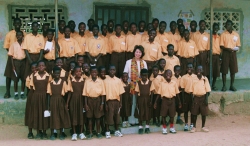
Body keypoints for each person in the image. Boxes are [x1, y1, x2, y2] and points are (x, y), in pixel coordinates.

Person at [123, 45, 147, 126]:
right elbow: (125, 74)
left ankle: (139, 119)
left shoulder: (144, 63)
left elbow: (145, 74)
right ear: (134, 52)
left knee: (140, 103)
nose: (138, 53)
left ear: (142, 53)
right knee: (132, 103)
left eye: (140, 52)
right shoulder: (129, 62)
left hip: (141, 86)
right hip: (132, 85)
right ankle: (132, 120)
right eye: (136, 52)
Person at [47, 66, 71, 140]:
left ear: (60, 74)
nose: (57, 74)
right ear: (53, 74)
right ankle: (53, 134)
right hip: (53, 101)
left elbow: (67, 92)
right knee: (53, 117)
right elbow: (48, 95)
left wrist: (66, 103)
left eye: (58, 73)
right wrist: (48, 105)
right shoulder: (50, 83)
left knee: (61, 116)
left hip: (61, 100)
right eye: (55, 73)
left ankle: (61, 133)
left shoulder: (63, 82)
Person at [28, 60, 50, 139]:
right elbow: (31, 88)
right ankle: (38, 133)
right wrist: (32, 99)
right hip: (36, 97)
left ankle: (44, 133)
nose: (41, 67)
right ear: (37, 67)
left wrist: (48, 99)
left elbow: (49, 89)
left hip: (45, 97)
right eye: (39, 66)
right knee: (37, 114)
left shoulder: (48, 76)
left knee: (44, 114)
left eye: (42, 65)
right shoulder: (34, 76)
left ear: (45, 67)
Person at [3, 18, 24, 98]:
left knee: (23, 75)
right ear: (14, 24)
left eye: (19, 23)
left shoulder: (24, 33)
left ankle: (23, 92)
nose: (17, 24)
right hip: (12, 56)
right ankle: (7, 92)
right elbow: (6, 46)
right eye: (16, 23)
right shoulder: (9, 34)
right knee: (8, 74)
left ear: (21, 24)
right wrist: (13, 53)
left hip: (21, 58)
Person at [155, 69, 181, 134]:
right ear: (164, 75)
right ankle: (164, 128)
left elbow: (177, 93)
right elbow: (159, 93)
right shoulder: (162, 84)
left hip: (172, 100)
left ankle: (172, 128)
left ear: (172, 75)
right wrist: (155, 102)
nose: (168, 75)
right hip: (164, 100)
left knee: (172, 115)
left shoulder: (174, 83)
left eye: (169, 73)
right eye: (167, 73)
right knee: (163, 115)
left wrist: (179, 102)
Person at [83, 66, 106, 139]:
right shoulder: (87, 81)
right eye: (92, 72)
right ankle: (90, 132)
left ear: (97, 73)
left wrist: (102, 104)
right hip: (89, 100)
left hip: (98, 100)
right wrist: (86, 104)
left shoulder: (100, 81)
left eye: (95, 72)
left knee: (98, 118)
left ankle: (98, 132)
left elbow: (103, 94)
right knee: (90, 118)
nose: (94, 73)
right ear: (90, 73)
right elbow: (85, 94)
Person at [104, 65, 124, 139]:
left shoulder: (118, 80)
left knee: (117, 117)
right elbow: (103, 93)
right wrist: (105, 103)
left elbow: (121, 93)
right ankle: (107, 131)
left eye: (113, 70)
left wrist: (120, 102)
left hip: (116, 101)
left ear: (115, 71)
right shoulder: (105, 79)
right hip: (109, 101)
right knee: (108, 117)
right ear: (108, 71)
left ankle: (116, 130)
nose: (112, 71)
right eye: (111, 70)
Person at [220, 20, 241, 92]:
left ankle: (231, 85)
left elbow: (238, 45)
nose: (227, 26)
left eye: (229, 24)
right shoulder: (223, 34)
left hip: (233, 53)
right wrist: (228, 49)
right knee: (224, 70)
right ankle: (224, 86)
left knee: (233, 70)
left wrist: (235, 49)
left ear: (232, 25)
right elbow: (221, 46)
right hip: (225, 53)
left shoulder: (236, 35)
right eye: (226, 25)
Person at [66, 66, 86, 141]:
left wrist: (85, 103)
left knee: (81, 116)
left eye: (79, 71)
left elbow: (85, 93)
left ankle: (81, 133)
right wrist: (67, 103)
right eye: (77, 71)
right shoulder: (71, 80)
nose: (78, 73)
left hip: (81, 100)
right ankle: (74, 133)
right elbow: (70, 93)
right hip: (73, 100)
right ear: (74, 72)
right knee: (73, 116)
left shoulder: (83, 80)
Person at [190, 65, 211, 133]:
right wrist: (192, 100)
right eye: (198, 69)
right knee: (194, 113)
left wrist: (206, 100)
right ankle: (194, 127)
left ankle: (203, 126)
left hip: (203, 98)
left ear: (202, 71)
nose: (199, 71)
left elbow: (207, 91)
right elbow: (191, 91)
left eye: (200, 69)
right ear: (196, 71)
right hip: (195, 97)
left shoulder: (205, 79)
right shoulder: (193, 79)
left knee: (203, 113)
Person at [134, 69, 155, 134]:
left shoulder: (150, 82)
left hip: (148, 99)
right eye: (143, 76)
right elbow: (136, 93)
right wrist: (137, 102)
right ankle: (140, 127)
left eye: (145, 76)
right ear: (140, 76)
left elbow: (152, 93)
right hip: (141, 99)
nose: (144, 77)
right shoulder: (139, 83)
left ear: (147, 75)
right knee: (141, 112)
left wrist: (151, 101)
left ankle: (147, 127)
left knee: (147, 112)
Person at [8, 31, 26, 100]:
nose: (19, 36)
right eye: (17, 35)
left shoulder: (25, 44)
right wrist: (13, 66)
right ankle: (16, 93)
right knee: (15, 79)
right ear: (16, 36)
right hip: (16, 62)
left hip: (23, 62)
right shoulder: (13, 44)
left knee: (23, 79)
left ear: (22, 36)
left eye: (20, 35)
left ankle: (22, 93)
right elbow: (11, 56)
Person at [180, 63, 196, 131]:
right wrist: (183, 99)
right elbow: (183, 89)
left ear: (193, 68)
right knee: (186, 111)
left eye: (191, 67)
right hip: (186, 95)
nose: (189, 69)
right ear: (186, 69)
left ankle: (192, 124)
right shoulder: (183, 77)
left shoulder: (195, 77)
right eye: (188, 67)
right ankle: (186, 124)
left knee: (192, 110)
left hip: (193, 95)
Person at [25, 62, 37, 139]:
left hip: (40, 95)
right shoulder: (29, 77)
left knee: (39, 113)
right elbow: (29, 88)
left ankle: (40, 131)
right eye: (33, 68)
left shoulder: (43, 76)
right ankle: (30, 132)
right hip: (32, 95)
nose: (34, 70)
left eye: (36, 68)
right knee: (31, 113)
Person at [211, 23, 221, 91]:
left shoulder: (219, 37)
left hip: (217, 56)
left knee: (216, 71)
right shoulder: (209, 36)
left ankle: (213, 85)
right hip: (211, 56)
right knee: (209, 71)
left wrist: (220, 57)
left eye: (217, 28)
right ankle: (208, 85)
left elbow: (221, 47)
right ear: (212, 27)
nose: (215, 29)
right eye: (214, 28)